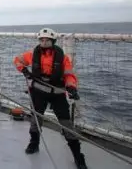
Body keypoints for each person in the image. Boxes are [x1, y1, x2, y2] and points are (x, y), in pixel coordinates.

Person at [13, 27, 87, 169]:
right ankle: (34, 143)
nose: (44, 42)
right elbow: (17, 60)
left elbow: (69, 75)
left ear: (53, 41)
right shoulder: (32, 55)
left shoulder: (63, 58)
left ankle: (78, 156)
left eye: (47, 40)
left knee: (66, 124)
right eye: (42, 40)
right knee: (35, 119)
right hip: (38, 92)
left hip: (57, 93)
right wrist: (24, 71)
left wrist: (71, 86)